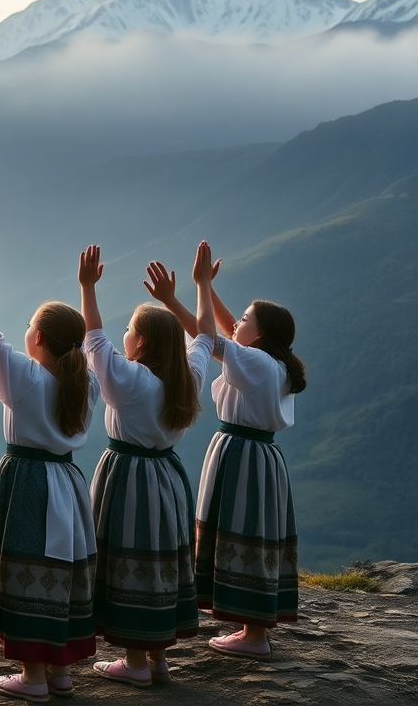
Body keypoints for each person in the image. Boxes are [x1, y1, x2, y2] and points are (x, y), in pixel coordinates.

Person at [146, 247, 306, 660]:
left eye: (246, 320)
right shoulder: (275, 363)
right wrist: (210, 288)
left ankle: (254, 636)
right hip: (260, 456)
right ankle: (253, 627)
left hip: (243, 456)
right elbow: (227, 328)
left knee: (245, 530)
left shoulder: (255, 362)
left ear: (262, 334)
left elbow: (209, 337)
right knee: (256, 533)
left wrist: (180, 295)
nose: (238, 321)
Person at [79, 243, 215, 687]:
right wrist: (197, 289)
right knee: (158, 560)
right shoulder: (186, 378)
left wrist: (87, 288)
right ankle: (157, 657)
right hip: (167, 477)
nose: (124, 336)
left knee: (129, 558)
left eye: (131, 330)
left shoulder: (130, 380)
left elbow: (93, 338)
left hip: (128, 478)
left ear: (140, 342)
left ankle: (134, 663)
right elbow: (206, 338)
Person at [0, 286, 99, 704]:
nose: (26, 331)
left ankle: (32, 676)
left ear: (40, 340)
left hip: (27, 483)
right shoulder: (85, 383)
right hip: (67, 482)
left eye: (31, 326)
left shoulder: (27, 378)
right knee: (60, 571)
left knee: (26, 568)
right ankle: (59, 670)